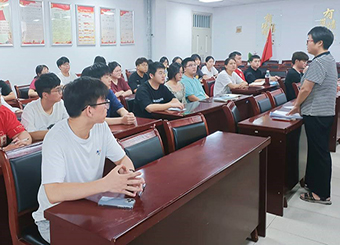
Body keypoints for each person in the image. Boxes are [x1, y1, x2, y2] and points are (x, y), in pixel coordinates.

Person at [32, 77, 145, 243]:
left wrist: (129, 178)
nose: (108, 106)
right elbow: (53, 193)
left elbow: (122, 159)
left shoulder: (100, 127)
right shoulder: (56, 138)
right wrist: (106, 184)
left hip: (88, 207)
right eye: (104, 102)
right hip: (55, 219)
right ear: (89, 110)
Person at [288, 26, 337, 205]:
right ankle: (315, 185)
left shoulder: (319, 62)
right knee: (319, 151)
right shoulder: (329, 59)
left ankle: (322, 194)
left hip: (316, 113)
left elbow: (306, 88)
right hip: (324, 112)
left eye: (308, 40)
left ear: (319, 42)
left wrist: (296, 105)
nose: (307, 43)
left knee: (319, 153)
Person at [21, 73, 68, 142]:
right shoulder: (30, 109)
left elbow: (68, 124)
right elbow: (30, 134)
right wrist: (57, 132)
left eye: (61, 89)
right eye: (58, 90)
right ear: (45, 95)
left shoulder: (60, 103)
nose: (61, 92)